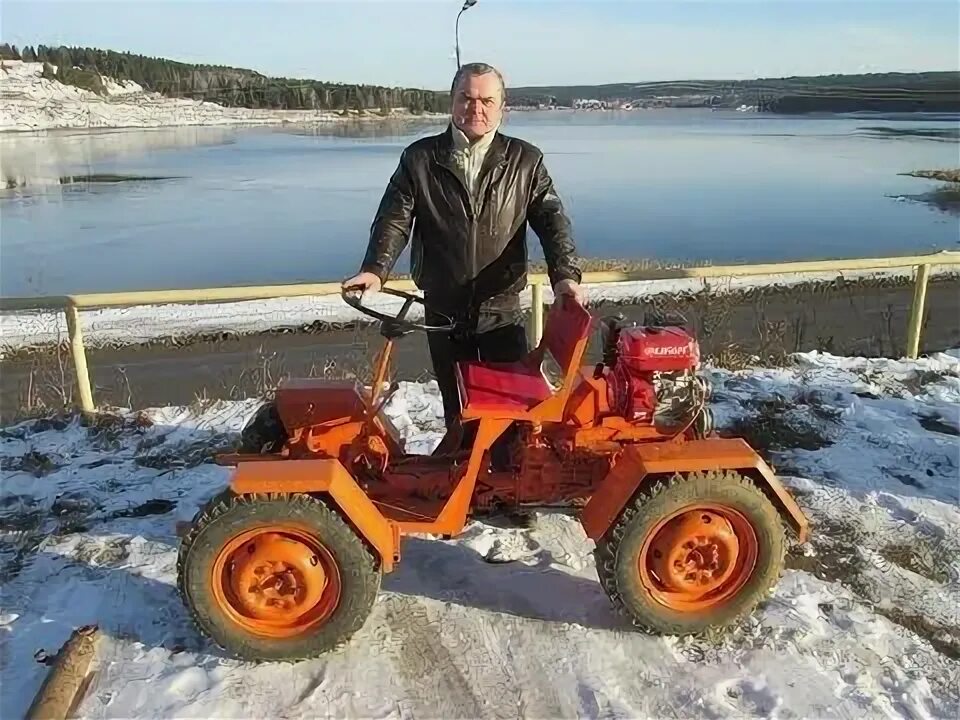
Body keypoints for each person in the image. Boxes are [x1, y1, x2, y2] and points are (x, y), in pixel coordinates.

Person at [342, 61, 583, 436]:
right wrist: (375, 269)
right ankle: (459, 482)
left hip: (500, 311)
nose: (476, 108)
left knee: (509, 418)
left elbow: (552, 221)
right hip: (442, 309)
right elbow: (395, 218)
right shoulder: (420, 159)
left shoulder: (525, 161)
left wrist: (565, 277)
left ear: (502, 107)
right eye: (466, 98)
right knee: (459, 411)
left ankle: (502, 490)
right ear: (452, 103)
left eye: (487, 100)